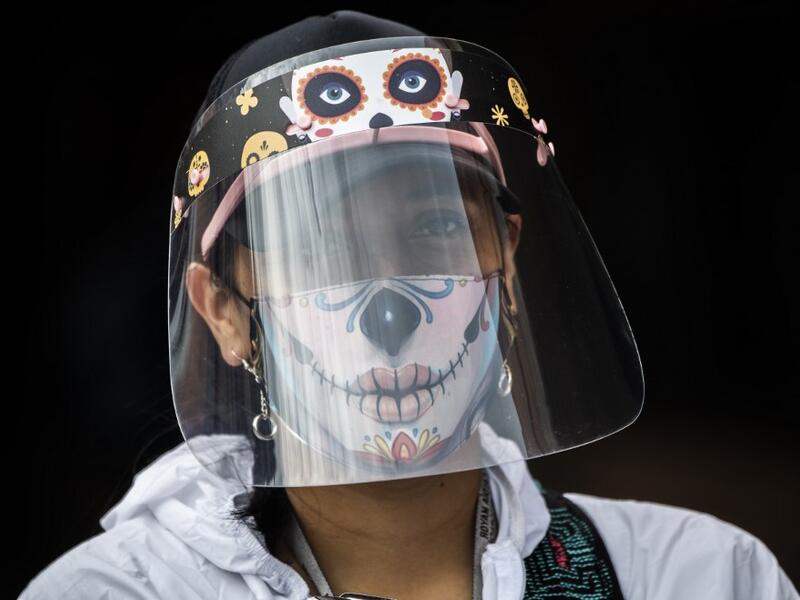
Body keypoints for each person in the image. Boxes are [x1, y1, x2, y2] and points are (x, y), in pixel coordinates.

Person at [20, 10, 797, 600]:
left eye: (435, 228)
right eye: (322, 246)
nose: (387, 312)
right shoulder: (117, 592)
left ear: (506, 263)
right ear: (223, 310)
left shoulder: (696, 577)